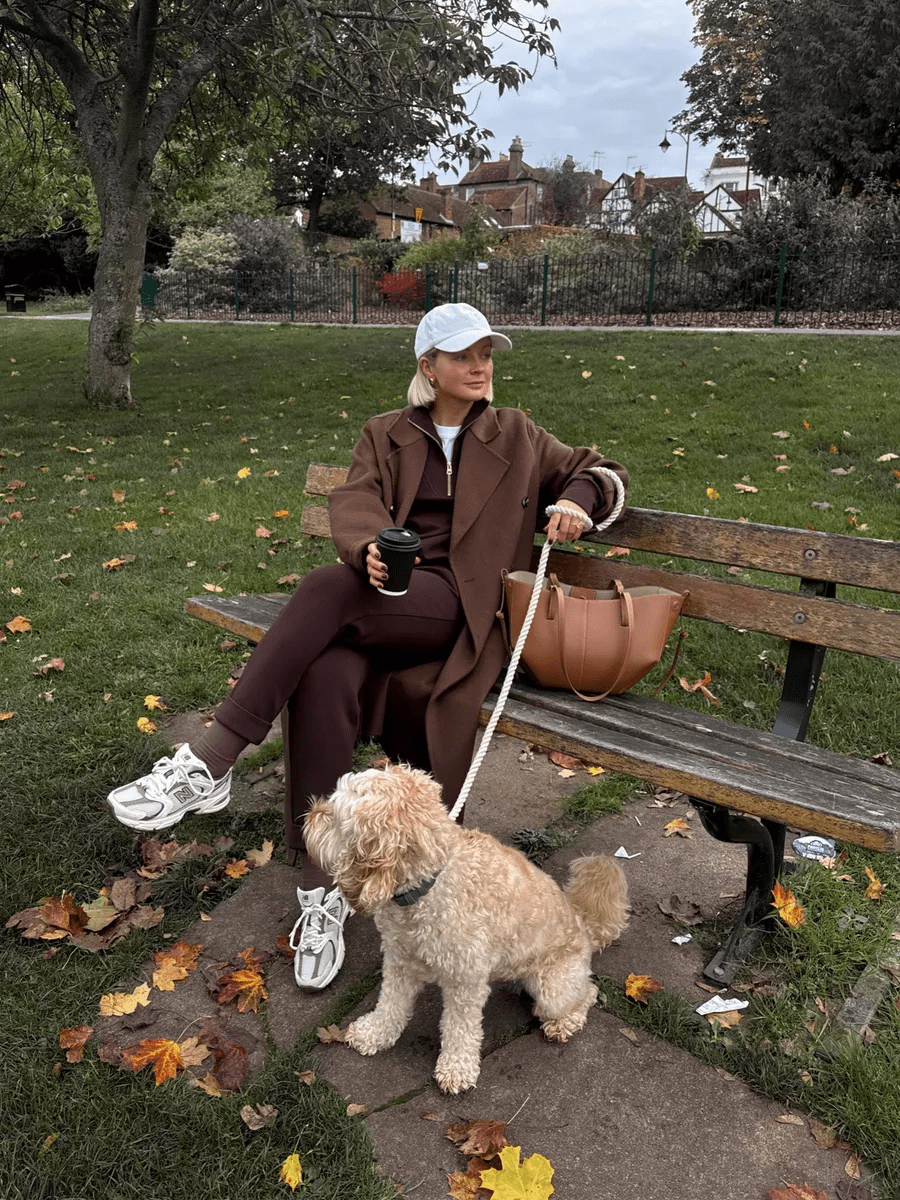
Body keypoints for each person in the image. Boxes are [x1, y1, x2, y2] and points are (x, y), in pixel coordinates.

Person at [107, 303, 628, 991]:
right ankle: (323, 893)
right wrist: (370, 552)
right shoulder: (386, 435)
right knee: (323, 669)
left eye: (487, 353)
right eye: (463, 354)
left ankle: (213, 760)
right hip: (391, 603)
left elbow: (599, 471)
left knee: (327, 588)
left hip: (465, 611)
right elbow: (354, 504)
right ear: (427, 366)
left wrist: (579, 502)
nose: (481, 365)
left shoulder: (519, 435)